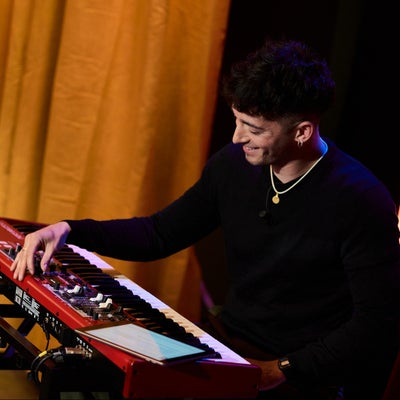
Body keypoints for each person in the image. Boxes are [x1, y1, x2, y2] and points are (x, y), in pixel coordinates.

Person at [11, 39, 400, 400]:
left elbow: (375, 322)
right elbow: (159, 234)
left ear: (301, 132)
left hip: (304, 372)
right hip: (230, 347)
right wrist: (70, 230)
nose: (236, 138)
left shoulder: (360, 200)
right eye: (237, 120)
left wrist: (282, 369)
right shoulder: (233, 165)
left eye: (253, 129)